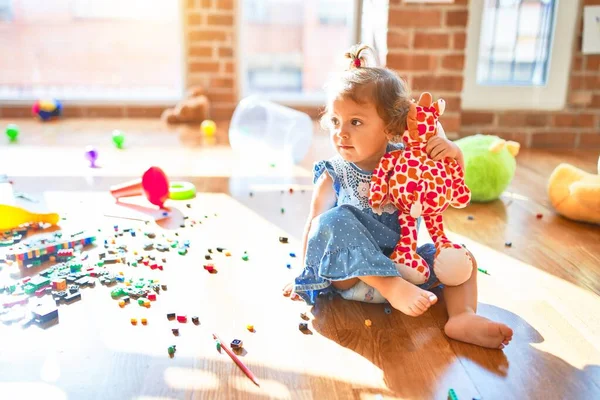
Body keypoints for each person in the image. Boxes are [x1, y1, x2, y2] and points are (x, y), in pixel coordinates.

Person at [283, 44, 513, 349]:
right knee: (332, 220)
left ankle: (462, 316)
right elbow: (315, 227)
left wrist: (453, 153)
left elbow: (446, 186)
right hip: (352, 280)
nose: (341, 133)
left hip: (406, 269)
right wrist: (304, 274)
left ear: (390, 126)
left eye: (356, 122)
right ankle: (390, 287)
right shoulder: (334, 172)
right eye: (336, 122)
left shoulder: (409, 162)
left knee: (460, 256)